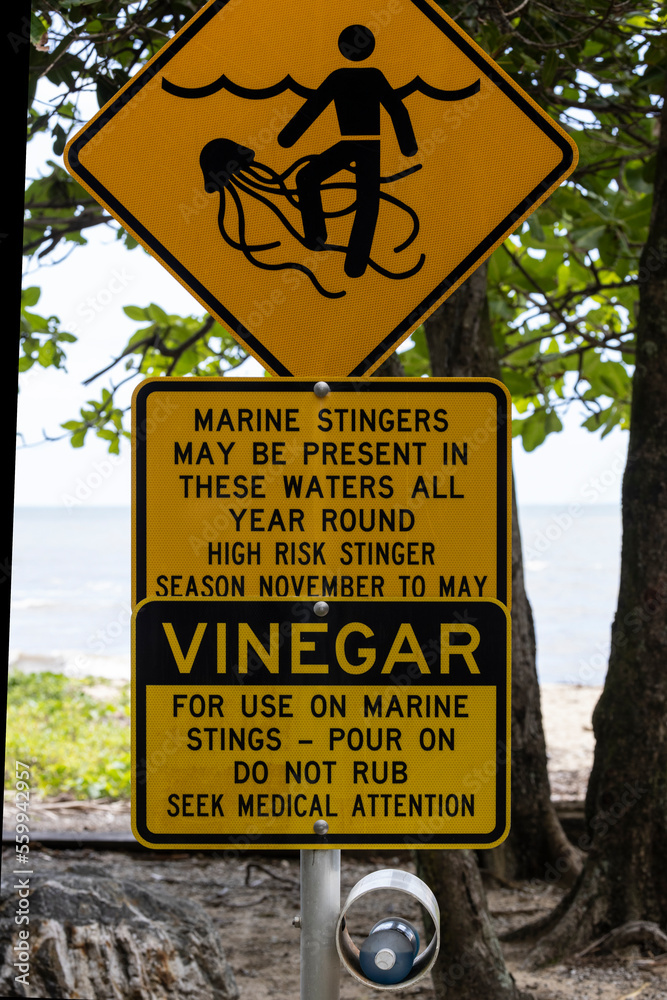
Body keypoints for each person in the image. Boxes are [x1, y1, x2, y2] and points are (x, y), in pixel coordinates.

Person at [278, 25, 418, 278]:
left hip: (368, 145)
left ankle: (353, 263)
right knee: (309, 178)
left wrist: (409, 148)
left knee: (365, 200)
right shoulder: (345, 76)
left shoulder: (357, 76)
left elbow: (396, 110)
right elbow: (313, 109)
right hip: (352, 143)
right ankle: (316, 237)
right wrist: (287, 138)